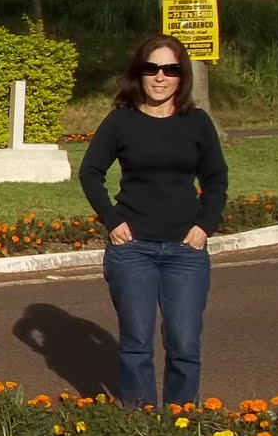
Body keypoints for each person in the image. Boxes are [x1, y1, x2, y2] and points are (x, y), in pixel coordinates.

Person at [79, 34, 228, 408]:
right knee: (136, 344)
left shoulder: (197, 123)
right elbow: (90, 172)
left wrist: (205, 226)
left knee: (184, 344)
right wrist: (112, 221)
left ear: (182, 76)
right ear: (140, 73)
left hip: (185, 250)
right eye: (152, 68)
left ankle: (179, 425)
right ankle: (141, 426)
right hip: (133, 251)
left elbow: (216, 178)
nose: (160, 77)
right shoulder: (121, 121)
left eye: (170, 69)